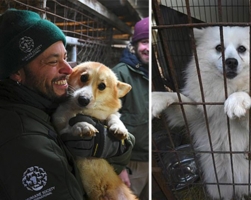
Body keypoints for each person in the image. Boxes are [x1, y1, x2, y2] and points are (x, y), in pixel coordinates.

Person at [0, 9, 134, 199]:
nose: (68, 69)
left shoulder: (45, 104)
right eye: (53, 61)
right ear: (17, 73)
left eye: (65, 57)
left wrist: (118, 146)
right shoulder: (23, 139)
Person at [112, 17, 149, 199]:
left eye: (152, 42)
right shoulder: (120, 74)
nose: (148, 48)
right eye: (144, 42)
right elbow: (104, 120)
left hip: (153, 155)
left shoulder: (154, 73)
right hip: (131, 161)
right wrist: (117, 166)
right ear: (134, 45)